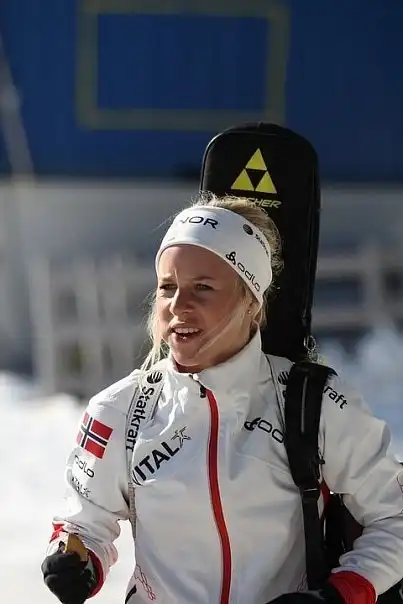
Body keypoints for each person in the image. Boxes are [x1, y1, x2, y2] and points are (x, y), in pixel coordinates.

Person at [42, 194, 403, 604]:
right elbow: (82, 525)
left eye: (203, 288)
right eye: (167, 287)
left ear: (251, 301)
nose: (179, 306)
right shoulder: (119, 409)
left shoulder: (316, 402)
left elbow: (394, 517)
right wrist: (74, 560)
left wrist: (338, 595)